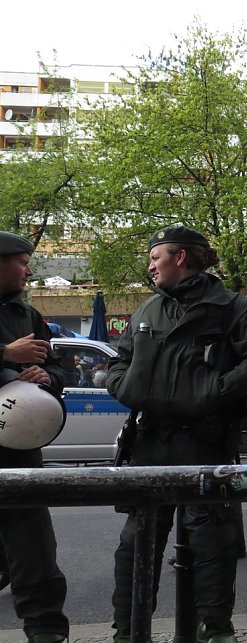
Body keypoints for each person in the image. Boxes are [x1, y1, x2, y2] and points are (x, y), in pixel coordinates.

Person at [105, 225, 247, 643]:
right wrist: (124, 386)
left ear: (181, 257)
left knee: (212, 544)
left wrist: (215, 392)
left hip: (204, 442)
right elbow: (120, 360)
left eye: (156, 257)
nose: (150, 265)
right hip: (150, 443)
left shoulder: (232, 308)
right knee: (136, 546)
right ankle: (130, 633)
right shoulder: (149, 309)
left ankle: (215, 630)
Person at [0, 231, 70, 643]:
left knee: (35, 552)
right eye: (22, 262)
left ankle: (47, 634)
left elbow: (58, 369)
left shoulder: (26, 314)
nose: (29, 270)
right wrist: (6, 355)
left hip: (19, 453)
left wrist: (48, 378)